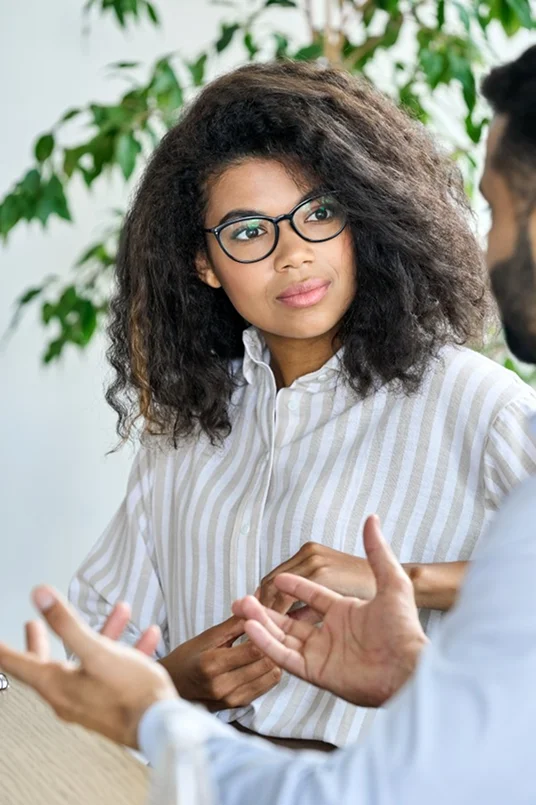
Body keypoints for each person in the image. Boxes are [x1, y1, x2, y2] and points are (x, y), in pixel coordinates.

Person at [2, 45, 536, 803]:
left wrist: (410, 582)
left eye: (319, 213)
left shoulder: (477, 403)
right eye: (250, 231)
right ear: (204, 263)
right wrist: (172, 681)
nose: (292, 255)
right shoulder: (185, 427)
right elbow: (100, 640)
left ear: (365, 220)